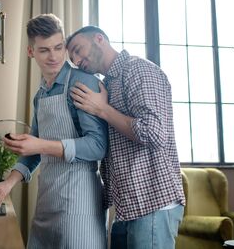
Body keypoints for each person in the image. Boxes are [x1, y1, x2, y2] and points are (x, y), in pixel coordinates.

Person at [0, 15, 108, 248]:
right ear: (31, 52)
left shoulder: (83, 83)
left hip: (79, 204)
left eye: (58, 47)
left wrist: (40, 145)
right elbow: (32, 151)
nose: (53, 56)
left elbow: (98, 146)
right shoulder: (41, 94)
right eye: (44, 50)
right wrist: (8, 183)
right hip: (48, 202)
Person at [66, 26, 185, 249]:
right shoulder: (107, 84)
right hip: (125, 207)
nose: (76, 59)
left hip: (153, 203)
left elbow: (153, 133)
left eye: (78, 50)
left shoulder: (139, 70)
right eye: (72, 57)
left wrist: (102, 110)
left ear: (99, 39)